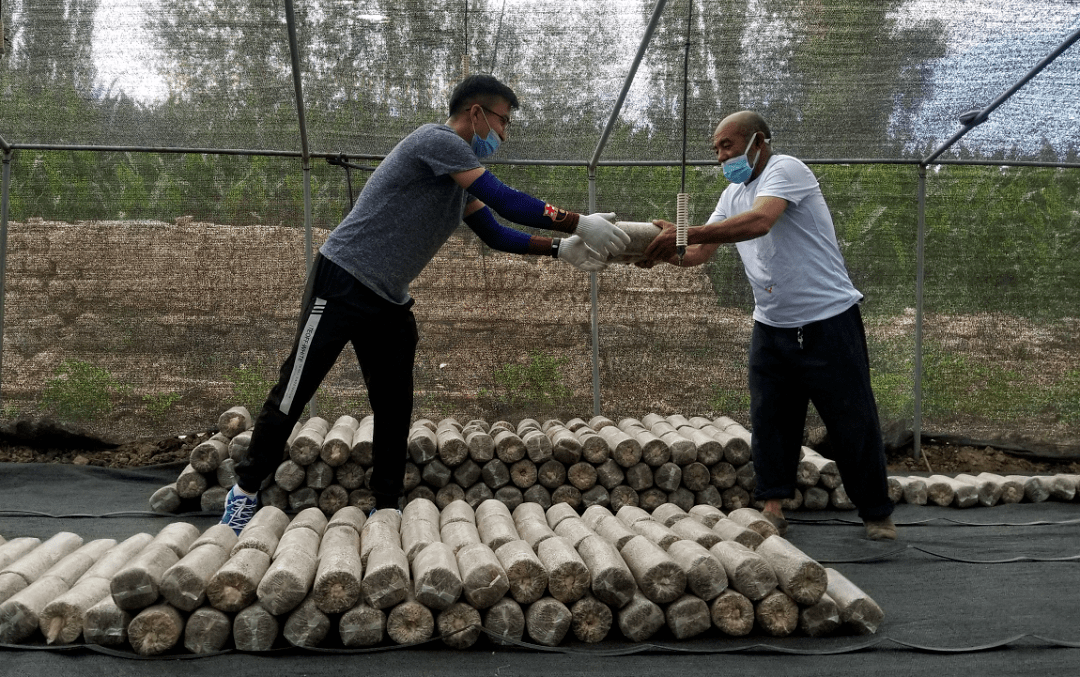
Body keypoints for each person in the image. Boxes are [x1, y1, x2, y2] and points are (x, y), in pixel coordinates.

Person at [219, 74, 631, 533]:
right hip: (342, 280)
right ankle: (245, 490)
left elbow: (494, 232)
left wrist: (560, 249)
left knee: (394, 405)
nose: (504, 134)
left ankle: (387, 505)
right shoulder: (438, 141)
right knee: (296, 385)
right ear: (475, 113)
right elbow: (506, 201)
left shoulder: (459, 177)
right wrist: (576, 221)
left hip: (388, 300)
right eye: (502, 121)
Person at [640, 110, 896, 541]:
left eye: (728, 145)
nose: (722, 156)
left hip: (828, 320)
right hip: (772, 325)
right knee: (771, 417)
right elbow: (699, 254)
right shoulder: (732, 193)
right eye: (716, 149)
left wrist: (691, 233)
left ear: (758, 140)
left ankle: (876, 513)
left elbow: (761, 221)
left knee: (852, 419)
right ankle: (773, 506)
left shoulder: (785, 169)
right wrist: (660, 248)